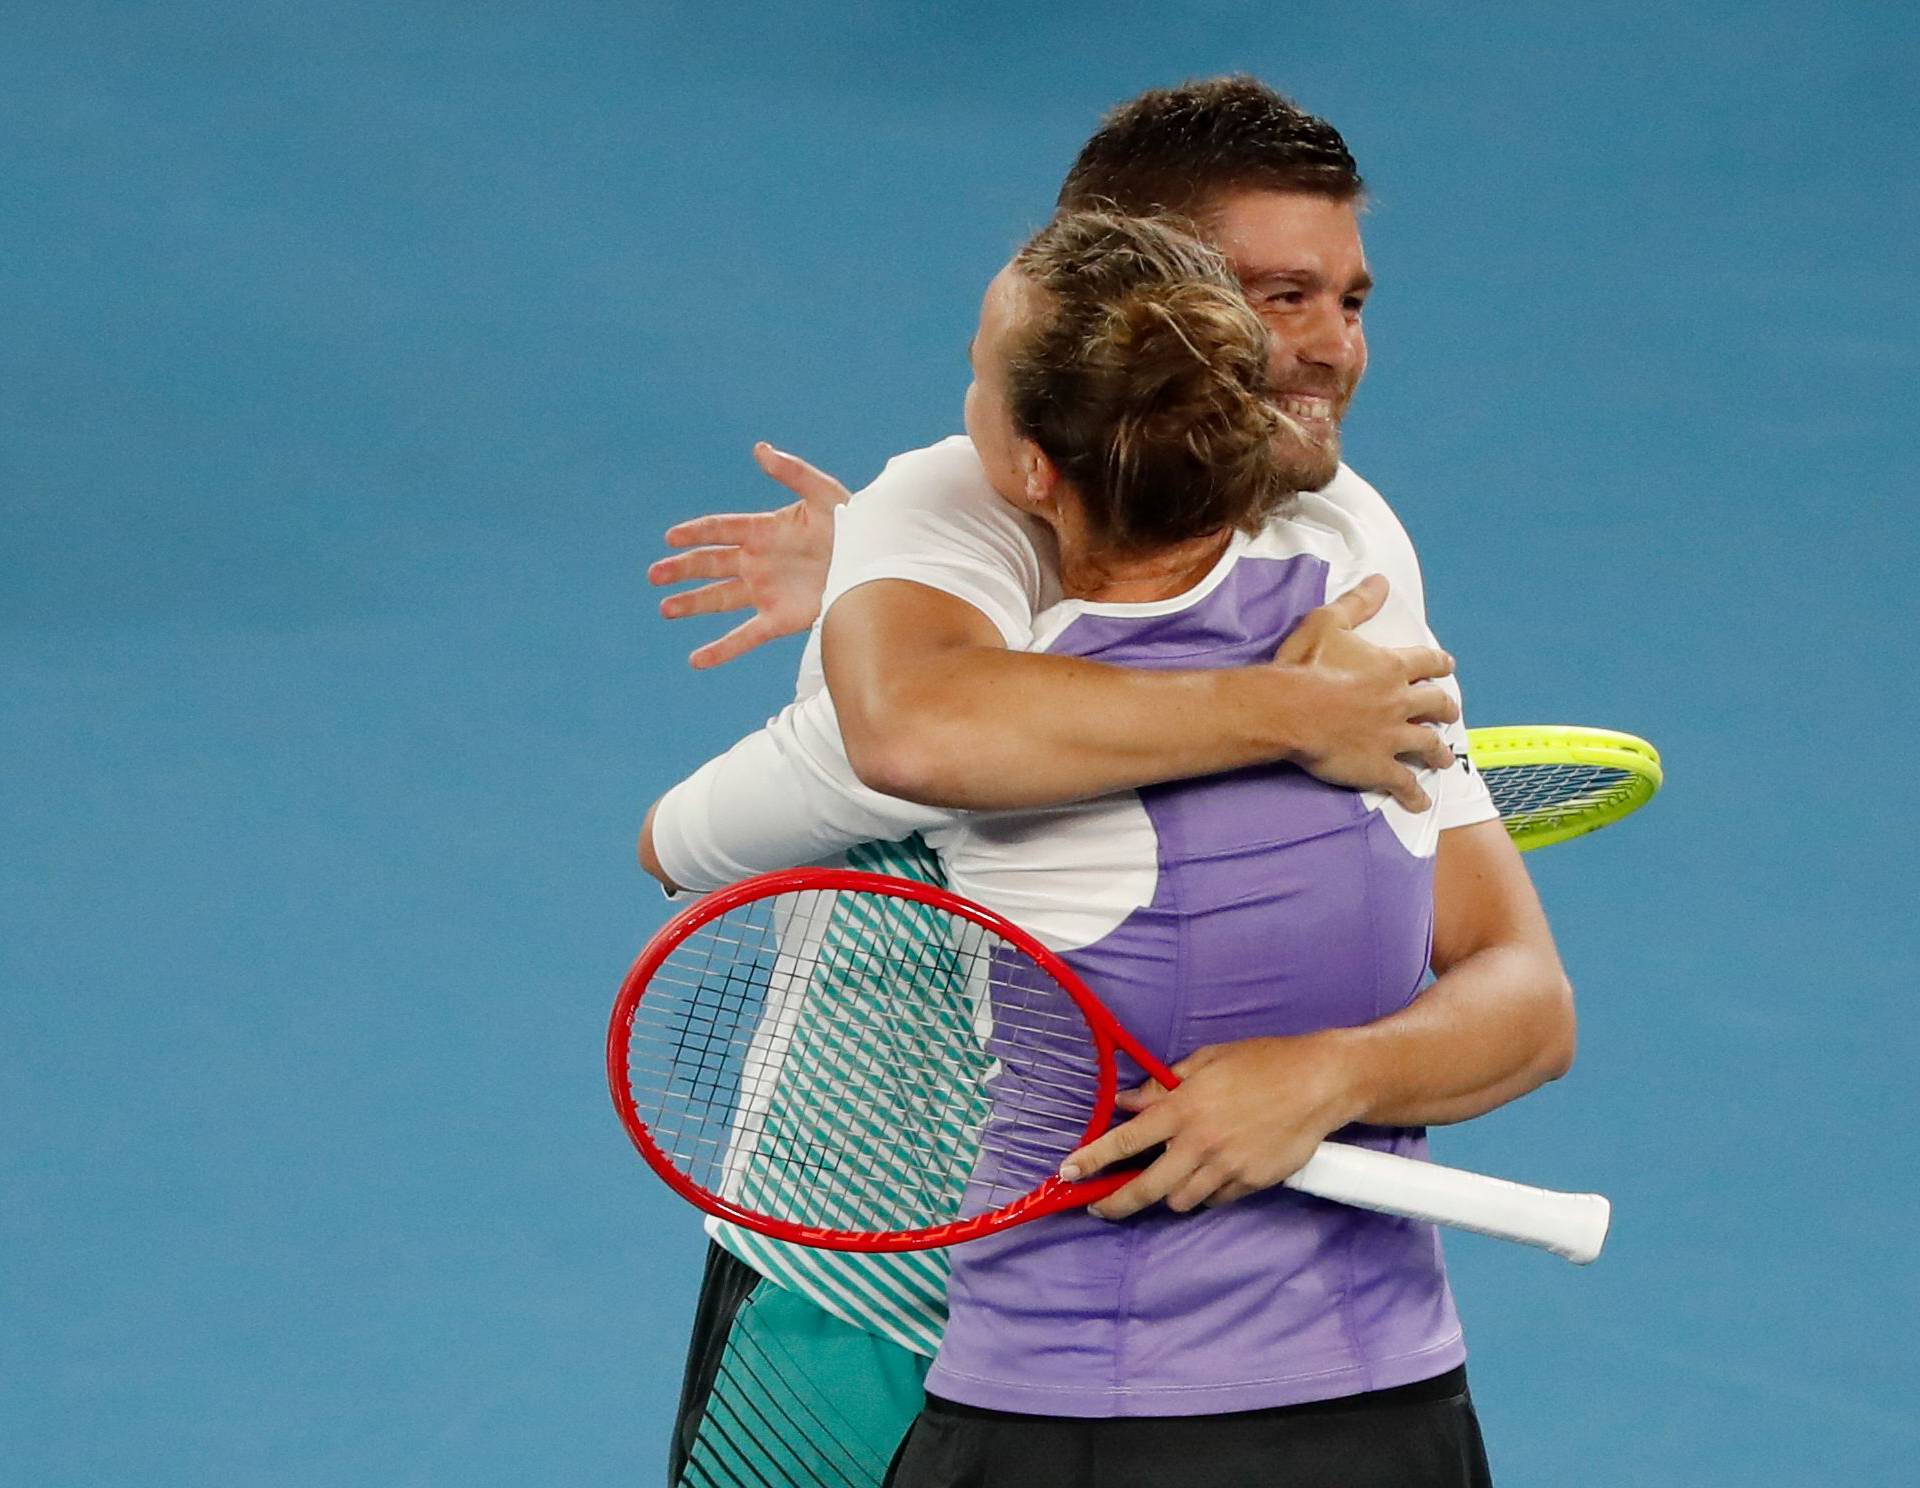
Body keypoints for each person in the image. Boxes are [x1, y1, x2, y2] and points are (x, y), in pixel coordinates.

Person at [646, 78, 1572, 1487]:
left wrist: (1322, 1074)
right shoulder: (943, 512)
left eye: (1350, 299)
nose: (1327, 351)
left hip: (1225, 1365)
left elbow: (1517, 984)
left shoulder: (1349, 538)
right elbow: (907, 734)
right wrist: (1289, 711)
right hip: (856, 1290)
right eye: (1277, 297)